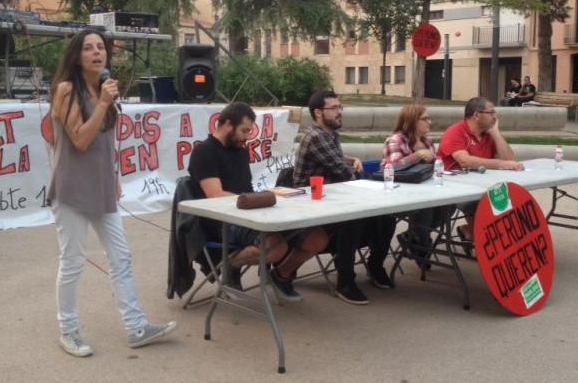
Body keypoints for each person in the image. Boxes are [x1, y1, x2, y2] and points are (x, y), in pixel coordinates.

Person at [48, 28, 176, 357]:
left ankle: (136, 327)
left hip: (102, 187)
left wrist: (113, 174)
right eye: (89, 48)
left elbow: (105, 142)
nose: (97, 53)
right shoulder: (66, 90)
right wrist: (104, 102)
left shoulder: (103, 90)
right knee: (74, 261)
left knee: (121, 257)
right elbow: (79, 139)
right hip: (72, 189)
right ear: (77, 56)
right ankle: (69, 330)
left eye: (101, 47)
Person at [187, 101, 328, 302]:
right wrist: (254, 200)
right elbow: (215, 197)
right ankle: (230, 266)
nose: (247, 136)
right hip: (222, 219)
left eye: (249, 131)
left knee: (317, 238)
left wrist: (265, 198)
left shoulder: (240, 151)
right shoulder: (204, 152)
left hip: (249, 211)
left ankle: (281, 275)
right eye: (244, 130)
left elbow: (245, 188)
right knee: (276, 246)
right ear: (227, 124)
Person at [294, 90, 396, 304]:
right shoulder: (316, 137)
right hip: (310, 204)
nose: (340, 112)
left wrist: (352, 159)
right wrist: (355, 171)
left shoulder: (329, 135)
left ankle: (375, 267)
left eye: (341, 107)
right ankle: (345, 281)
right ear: (318, 112)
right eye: (335, 108)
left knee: (386, 217)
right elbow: (344, 174)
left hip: (332, 197)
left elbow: (339, 162)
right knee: (354, 219)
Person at [436, 96, 524, 244]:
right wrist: (501, 164)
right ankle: (482, 239)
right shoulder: (456, 131)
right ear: (477, 115)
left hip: (482, 185)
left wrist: (496, 134)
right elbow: (465, 161)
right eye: (491, 112)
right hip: (455, 188)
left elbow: (510, 160)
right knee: (481, 204)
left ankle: (476, 235)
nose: (495, 116)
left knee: (511, 199)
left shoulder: (488, 135)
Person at [381, 104, 438, 267]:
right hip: (397, 195)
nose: (430, 122)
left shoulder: (427, 141)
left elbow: (435, 167)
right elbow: (391, 168)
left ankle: (414, 237)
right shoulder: (396, 140)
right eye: (425, 118)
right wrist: (417, 155)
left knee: (449, 204)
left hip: (422, 191)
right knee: (427, 206)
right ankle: (420, 243)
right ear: (412, 121)